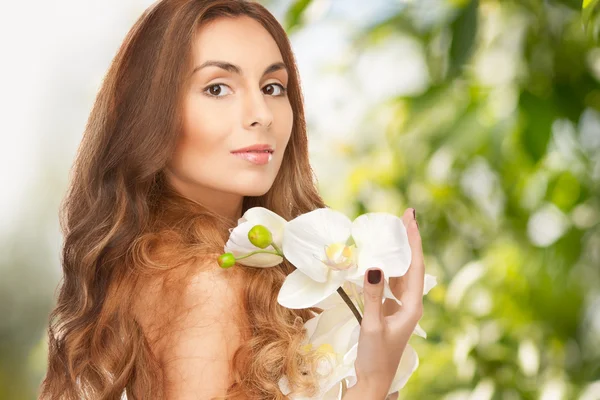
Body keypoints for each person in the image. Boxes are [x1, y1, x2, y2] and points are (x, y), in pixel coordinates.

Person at [39, 0, 425, 399]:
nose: (262, 114)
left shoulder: (144, 270)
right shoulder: (205, 285)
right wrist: (374, 381)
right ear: (150, 113)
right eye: (217, 88)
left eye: (272, 87)